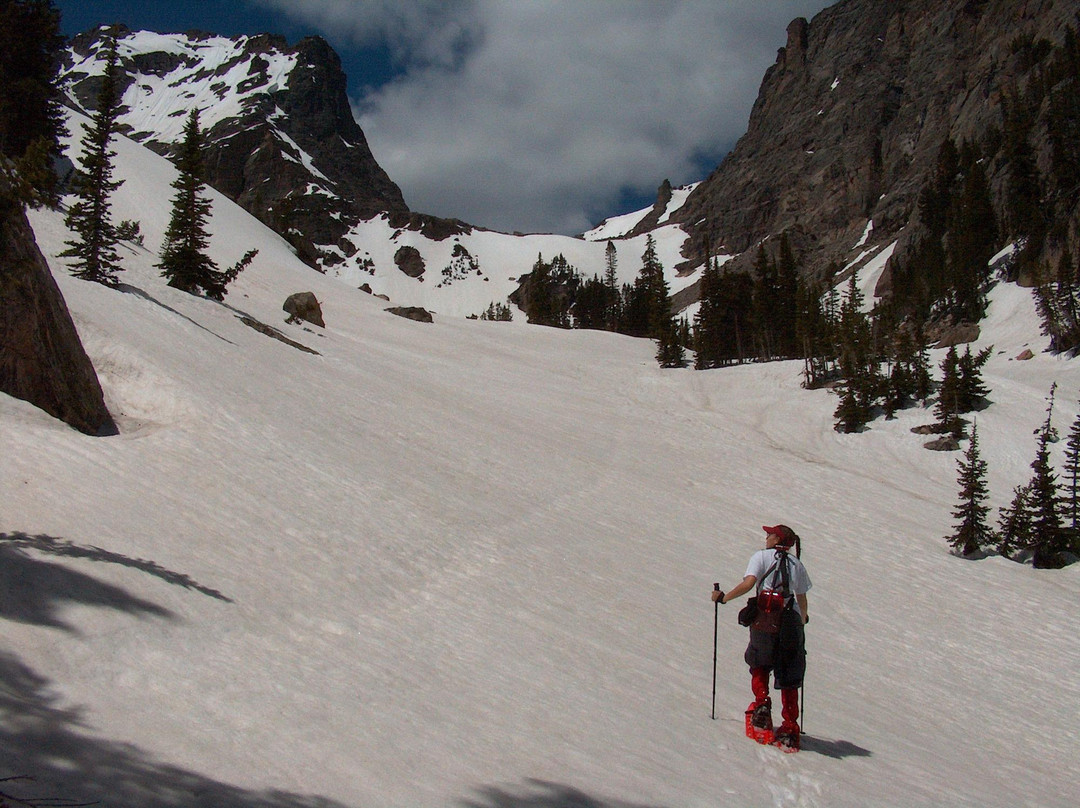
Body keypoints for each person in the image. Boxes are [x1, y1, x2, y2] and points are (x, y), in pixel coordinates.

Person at [712, 524, 811, 748]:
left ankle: (761, 706)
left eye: (770, 535)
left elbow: (749, 584)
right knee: (789, 673)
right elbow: (802, 598)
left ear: (777, 540)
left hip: (765, 620)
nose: (766, 537)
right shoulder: (797, 564)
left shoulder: (761, 557)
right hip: (790, 624)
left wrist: (724, 598)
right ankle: (789, 726)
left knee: (760, 663)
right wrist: (803, 619)